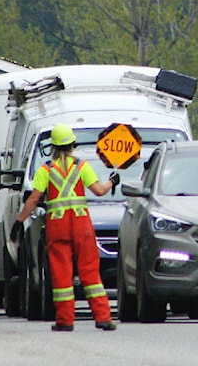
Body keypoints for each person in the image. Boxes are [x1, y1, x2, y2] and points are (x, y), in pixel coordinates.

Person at [10, 123, 120, 332]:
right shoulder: (82, 166)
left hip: (57, 226)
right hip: (81, 225)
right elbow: (98, 190)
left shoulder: (46, 170)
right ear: (72, 145)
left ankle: (65, 320)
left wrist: (18, 221)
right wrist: (112, 182)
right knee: (90, 272)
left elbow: (33, 199)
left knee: (61, 273)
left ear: (52, 147)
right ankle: (103, 317)